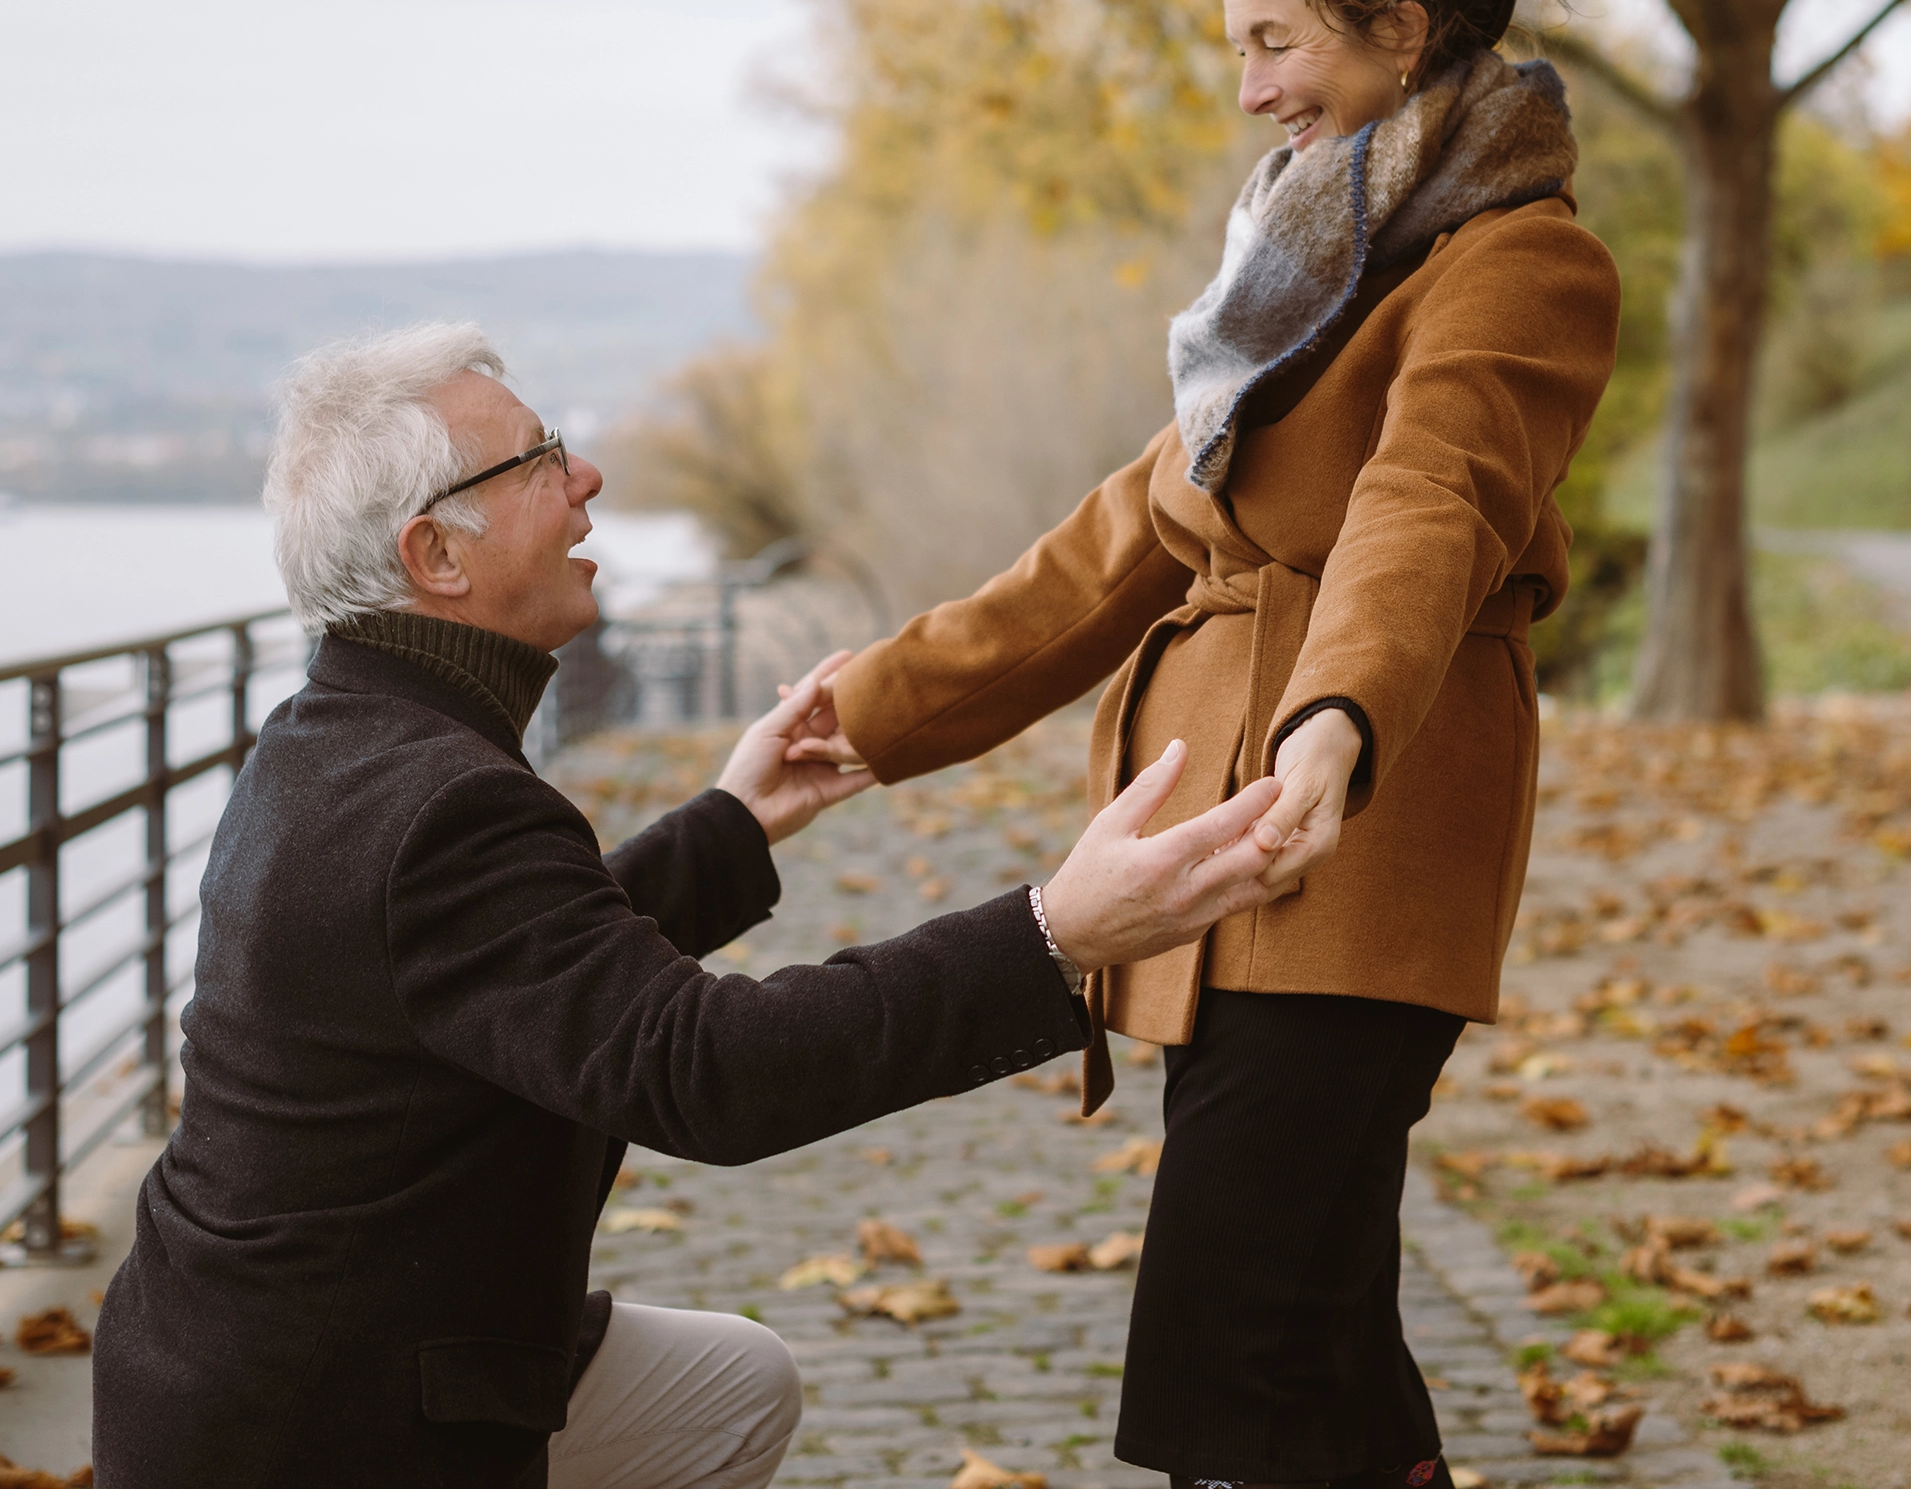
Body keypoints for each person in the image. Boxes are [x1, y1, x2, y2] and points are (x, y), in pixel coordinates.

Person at [91, 322, 1306, 1489]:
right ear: (436, 556)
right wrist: (1055, 932)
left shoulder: (342, 739)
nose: (588, 476)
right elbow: (707, 1068)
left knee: (733, 1384)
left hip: (237, 1367)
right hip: (320, 1429)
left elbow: (533, 968)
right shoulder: (432, 798)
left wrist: (736, 819)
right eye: (537, 460)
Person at [786, 0, 1623, 1489]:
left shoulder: (1516, 262)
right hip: (1226, 866)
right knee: (1318, 1350)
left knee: (1224, 1360)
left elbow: (1432, 490)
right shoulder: (1298, 269)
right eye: (1235, 47)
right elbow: (1126, 536)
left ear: (1401, 30)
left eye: (1275, 44)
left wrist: (1331, 724)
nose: (1246, 92)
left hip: (1352, 844)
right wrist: (876, 707)